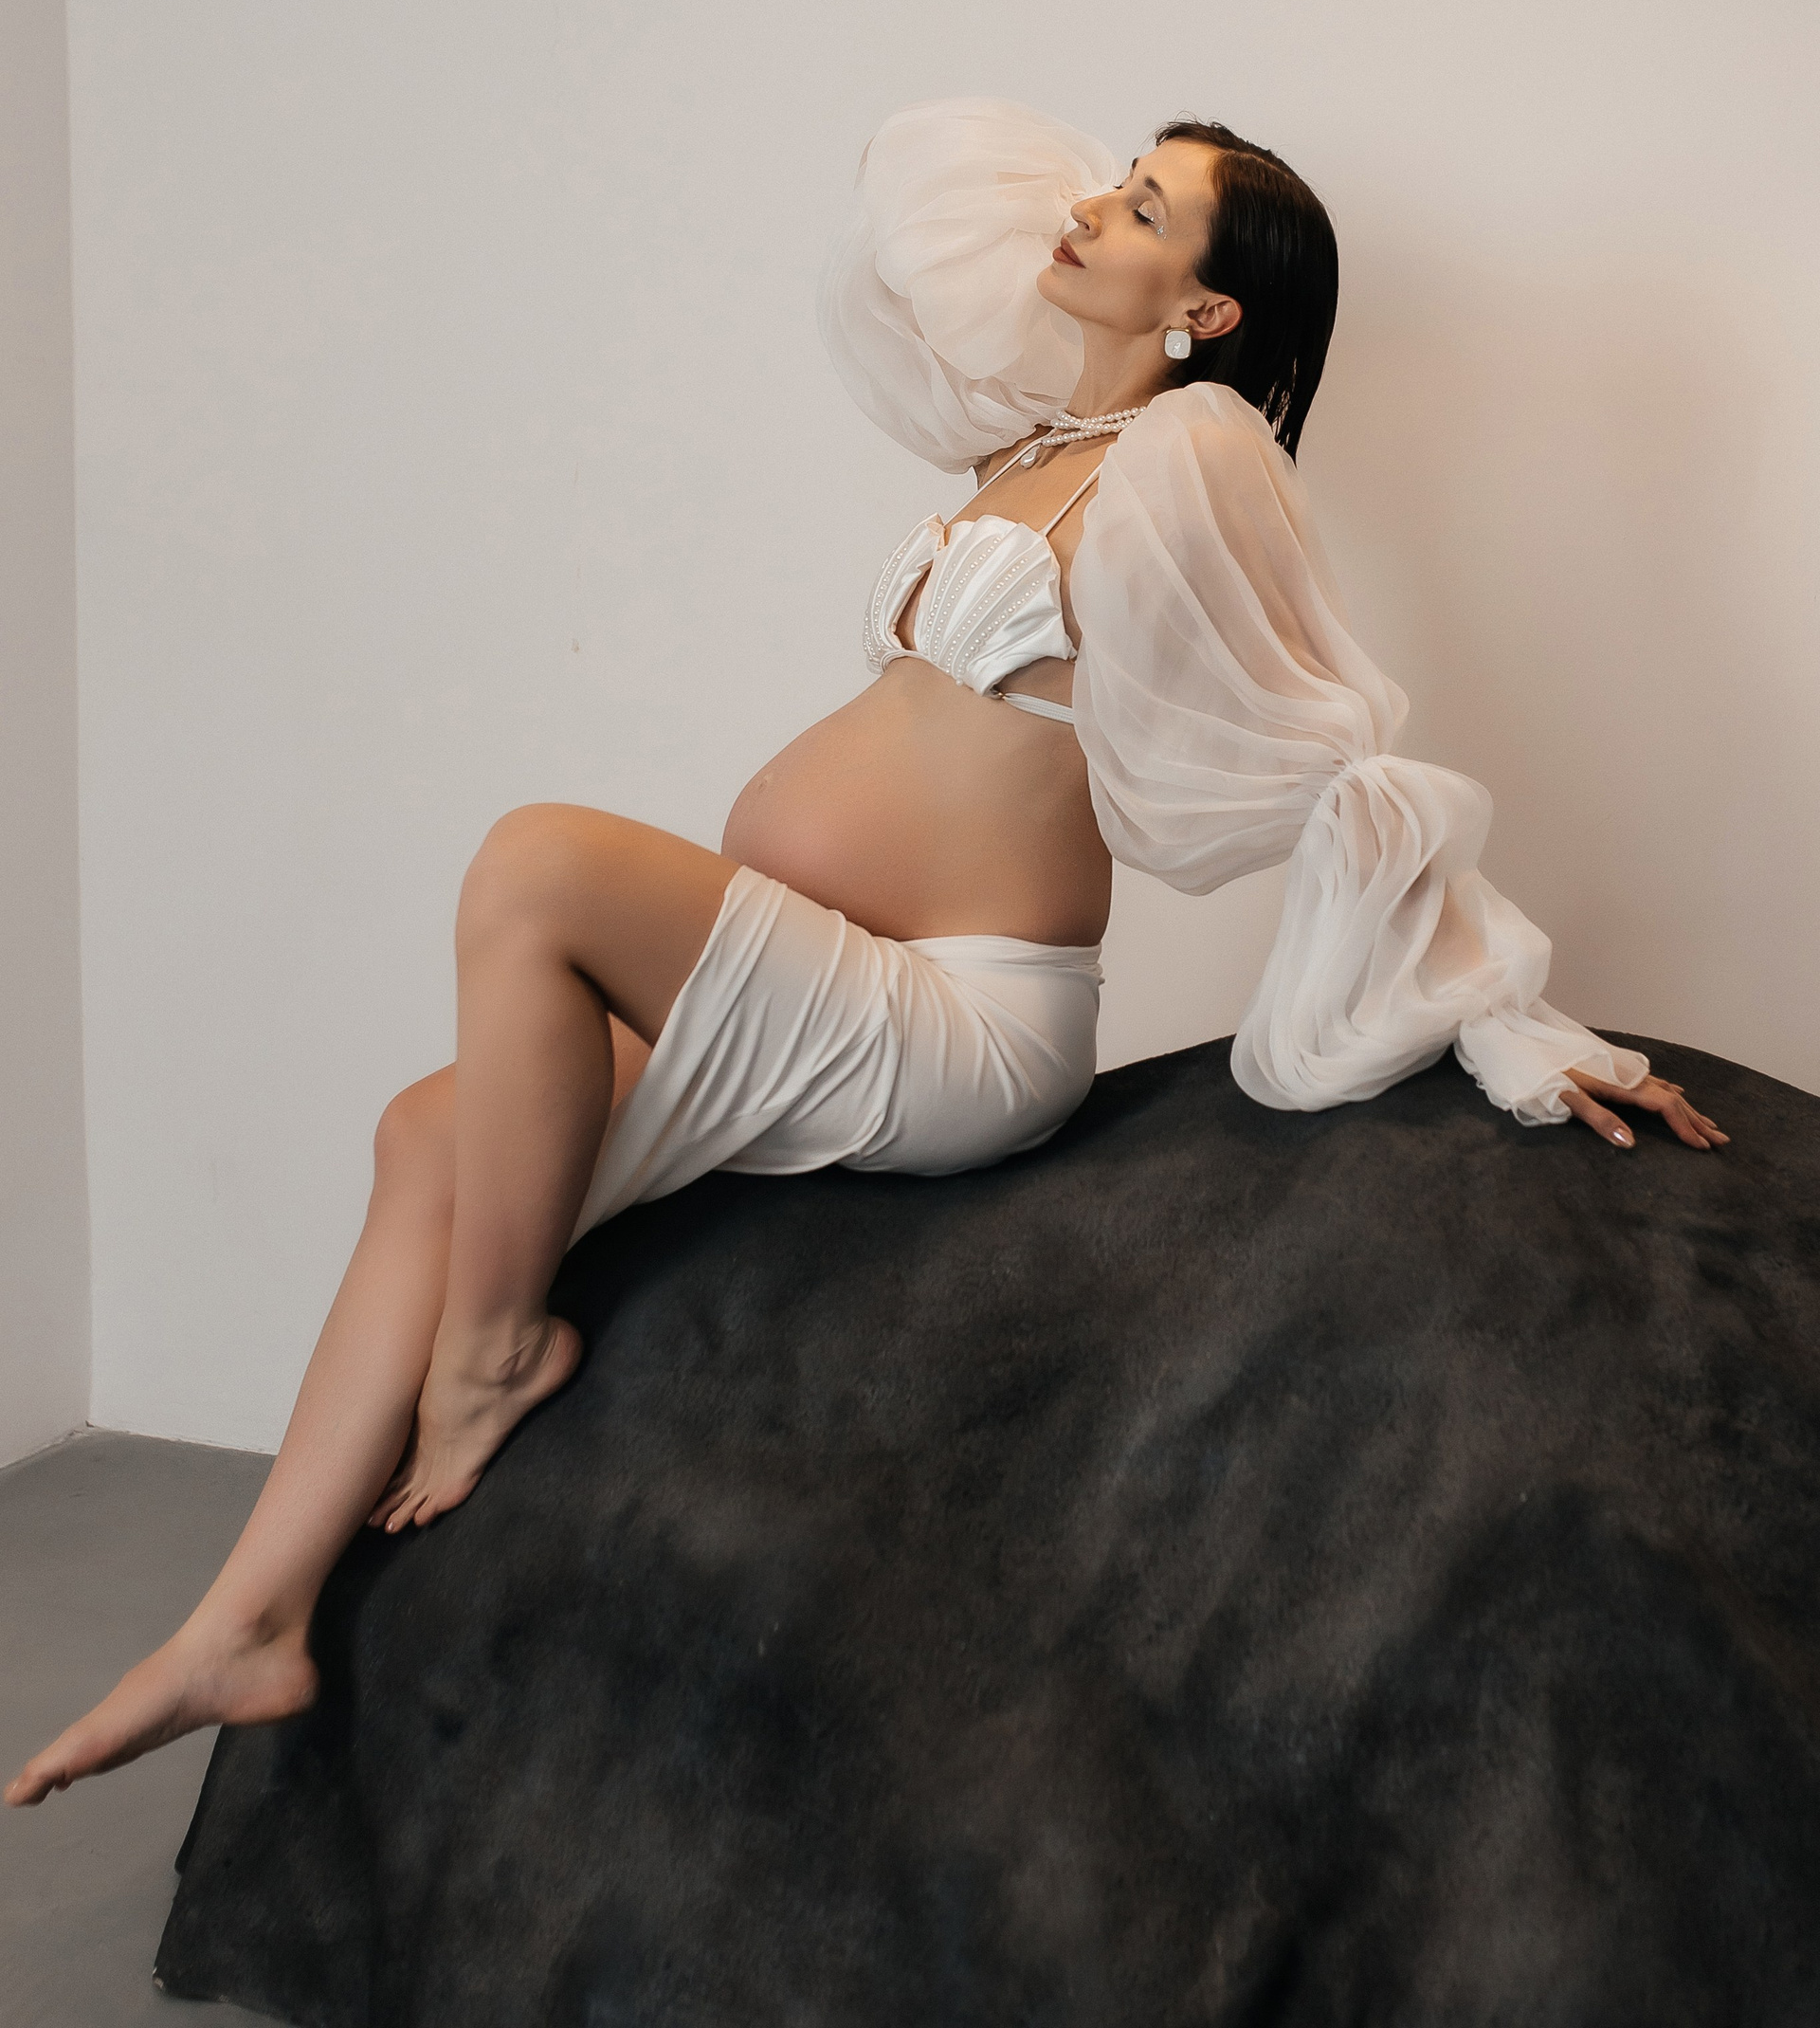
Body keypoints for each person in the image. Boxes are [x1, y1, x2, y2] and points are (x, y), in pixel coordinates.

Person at [7, 95, 1723, 1811]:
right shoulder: (1032, 449)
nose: (1087, 211)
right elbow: (908, 265)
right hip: (840, 962)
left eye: (1143, 210)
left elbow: (1336, 747)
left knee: (536, 865)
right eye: (1113, 184)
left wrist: (1505, 1021)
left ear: (1208, 311)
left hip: (960, 1019)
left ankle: (496, 1350)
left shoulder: (1196, 460)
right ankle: (248, 1618)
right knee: (425, 1132)